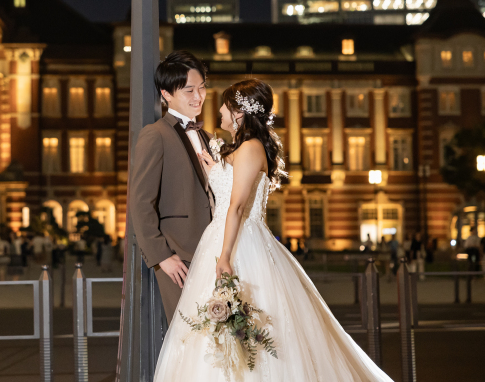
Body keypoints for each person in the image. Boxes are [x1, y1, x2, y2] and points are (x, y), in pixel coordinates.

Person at [154, 79, 392, 381]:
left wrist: (225, 256)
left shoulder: (252, 148)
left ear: (239, 113)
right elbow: (229, 193)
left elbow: (237, 207)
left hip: (240, 243)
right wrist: (215, 172)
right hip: (218, 237)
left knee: (253, 328)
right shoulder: (240, 149)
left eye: (226, 107)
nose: (221, 112)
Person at [128, 50, 214, 323]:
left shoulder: (210, 138)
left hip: (215, 254)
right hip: (180, 258)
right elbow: (141, 202)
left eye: (201, 88)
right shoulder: (155, 135)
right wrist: (161, 257)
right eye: (189, 90)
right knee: (190, 336)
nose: (198, 97)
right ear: (166, 94)